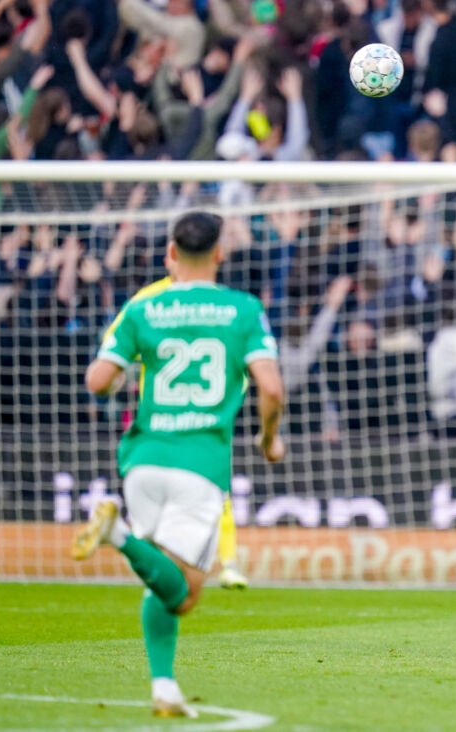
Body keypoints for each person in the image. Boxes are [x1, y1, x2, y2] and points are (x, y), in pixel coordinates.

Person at [72, 212, 285, 717]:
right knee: (185, 593)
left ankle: (164, 688)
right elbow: (272, 388)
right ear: (219, 253)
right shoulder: (242, 309)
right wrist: (268, 438)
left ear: (170, 254)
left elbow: (98, 380)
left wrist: (129, 372)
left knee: (170, 580)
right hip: (199, 463)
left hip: (142, 460)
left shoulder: (143, 308)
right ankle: (117, 535)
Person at [99, 265, 251, 590]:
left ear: (173, 254)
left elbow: (108, 354)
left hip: (153, 430)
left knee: (159, 556)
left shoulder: (146, 302)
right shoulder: (228, 305)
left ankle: (227, 561)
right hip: (200, 427)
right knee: (185, 583)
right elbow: (258, 372)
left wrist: (120, 374)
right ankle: (227, 563)